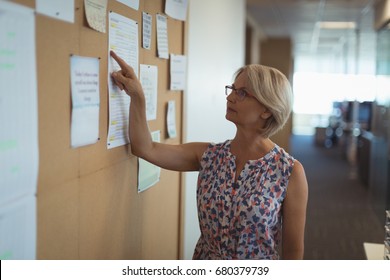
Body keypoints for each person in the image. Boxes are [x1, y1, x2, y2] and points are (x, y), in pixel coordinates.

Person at [110, 50, 308, 260]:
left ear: (267, 109)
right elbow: (145, 148)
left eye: (241, 93)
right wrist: (138, 97)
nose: (230, 97)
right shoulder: (209, 156)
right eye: (232, 89)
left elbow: (293, 251)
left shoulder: (289, 171)